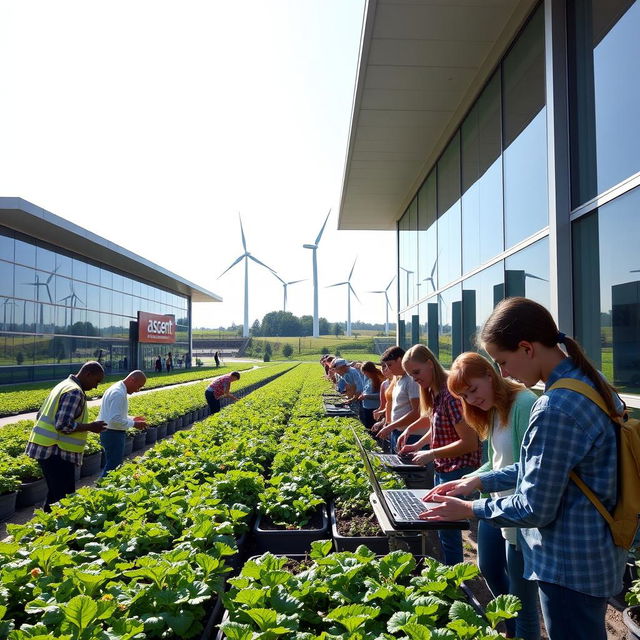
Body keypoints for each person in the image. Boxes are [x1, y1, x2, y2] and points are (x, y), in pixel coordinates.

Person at [420, 297, 627, 640]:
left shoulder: (554, 406)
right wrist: (477, 482)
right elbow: (543, 469)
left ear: (527, 348)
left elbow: (534, 506)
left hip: (567, 565)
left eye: (502, 362)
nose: (504, 374)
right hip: (595, 554)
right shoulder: (590, 383)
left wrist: (470, 508)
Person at [447, 352, 540, 639]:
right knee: (487, 566)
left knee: (523, 601)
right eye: (465, 396)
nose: (471, 400)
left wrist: (478, 480)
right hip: (495, 504)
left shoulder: (524, 403)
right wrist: (467, 480)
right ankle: (511, 626)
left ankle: (520, 630)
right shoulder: (496, 409)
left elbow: (528, 466)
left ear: (490, 374)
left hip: (520, 514)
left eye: (473, 390)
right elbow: (496, 461)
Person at [397, 344, 481, 565]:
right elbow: (436, 424)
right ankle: (448, 574)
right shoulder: (434, 392)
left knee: (449, 532)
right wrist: (416, 441)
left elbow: (469, 442)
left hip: (458, 470)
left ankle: (453, 579)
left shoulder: (452, 394)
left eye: (416, 372)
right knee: (444, 529)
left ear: (430, 363)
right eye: (409, 375)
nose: (414, 379)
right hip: (444, 469)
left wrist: (430, 453)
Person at [25, 361, 108, 510]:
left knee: (55, 495)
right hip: (56, 452)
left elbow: (40, 415)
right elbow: (63, 424)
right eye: (96, 381)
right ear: (88, 374)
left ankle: (46, 528)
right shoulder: (74, 391)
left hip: (48, 449)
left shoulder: (63, 385)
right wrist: (90, 427)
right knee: (63, 498)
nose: (96, 386)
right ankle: (55, 530)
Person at [98, 370, 148, 477]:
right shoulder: (118, 393)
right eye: (138, 386)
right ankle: (100, 489)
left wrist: (133, 418)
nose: (137, 390)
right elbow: (114, 419)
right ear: (132, 380)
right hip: (112, 433)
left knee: (112, 464)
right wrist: (134, 424)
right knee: (113, 466)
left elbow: (115, 415)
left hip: (109, 431)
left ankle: (103, 488)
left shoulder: (117, 388)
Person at [375, 346, 421, 452]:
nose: (388, 369)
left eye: (390, 365)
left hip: (410, 435)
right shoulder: (399, 379)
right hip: (398, 432)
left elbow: (417, 412)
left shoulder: (411, 380)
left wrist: (391, 426)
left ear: (400, 360)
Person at [358, 361, 384, 429]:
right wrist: (363, 394)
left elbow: (381, 396)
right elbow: (366, 390)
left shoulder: (379, 380)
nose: (365, 374)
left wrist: (366, 396)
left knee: (373, 428)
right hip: (367, 407)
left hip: (374, 408)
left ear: (370, 371)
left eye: (365, 372)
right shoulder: (369, 379)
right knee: (368, 427)